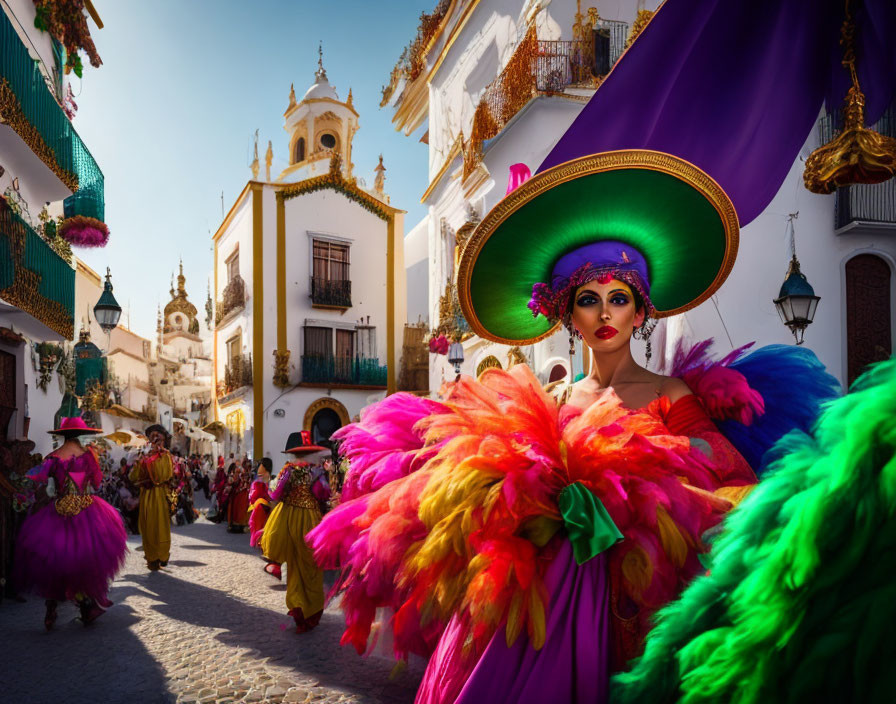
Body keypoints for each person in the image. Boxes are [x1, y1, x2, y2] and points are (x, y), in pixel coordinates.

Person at [307, 151, 839, 703]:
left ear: (639, 311)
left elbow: (725, 483)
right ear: (568, 313)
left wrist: (634, 494)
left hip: (638, 600)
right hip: (535, 606)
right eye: (589, 300)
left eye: (619, 298)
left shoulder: (668, 394)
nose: (605, 313)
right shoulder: (552, 400)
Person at [13, 417, 128, 630]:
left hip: (58, 510)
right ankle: (86, 606)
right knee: (85, 560)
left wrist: (19, 488)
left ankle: (50, 610)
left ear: (62, 435)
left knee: (55, 561)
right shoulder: (88, 456)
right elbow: (96, 482)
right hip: (87, 510)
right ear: (80, 435)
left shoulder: (53, 457)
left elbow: (35, 477)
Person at [260, 431, 331, 632]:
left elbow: (275, 494)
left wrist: (273, 486)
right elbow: (323, 493)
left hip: (289, 518)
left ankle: (298, 607)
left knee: (294, 564)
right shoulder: (316, 471)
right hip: (311, 518)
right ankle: (312, 610)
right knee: (311, 565)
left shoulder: (288, 470)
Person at [129, 424, 174, 570]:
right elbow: (133, 477)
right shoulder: (143, 455)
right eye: (152, 436)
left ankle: (162, 556)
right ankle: (151, 558)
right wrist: (140, 462)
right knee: (148, 527)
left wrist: (152, 462)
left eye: (158, 436)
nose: (155, 438)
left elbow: (165, 475)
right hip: (147, 496)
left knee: (161, 527)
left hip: (160, 496)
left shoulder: (165, 455)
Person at [248, 458, 280, 579]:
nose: (258, 468)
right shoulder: (258, 482)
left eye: (261, 466)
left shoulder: (273, 479)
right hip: (262, 511)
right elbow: (253, 497)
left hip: (272, 509)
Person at [226, 462, 250, 533]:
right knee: (239, 510)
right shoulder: (244, 474)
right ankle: (239, 526)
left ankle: (237, 526)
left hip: (239, 495)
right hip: (240, 494)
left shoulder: (240, 474)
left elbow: (234, 482)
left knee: (238, 510)